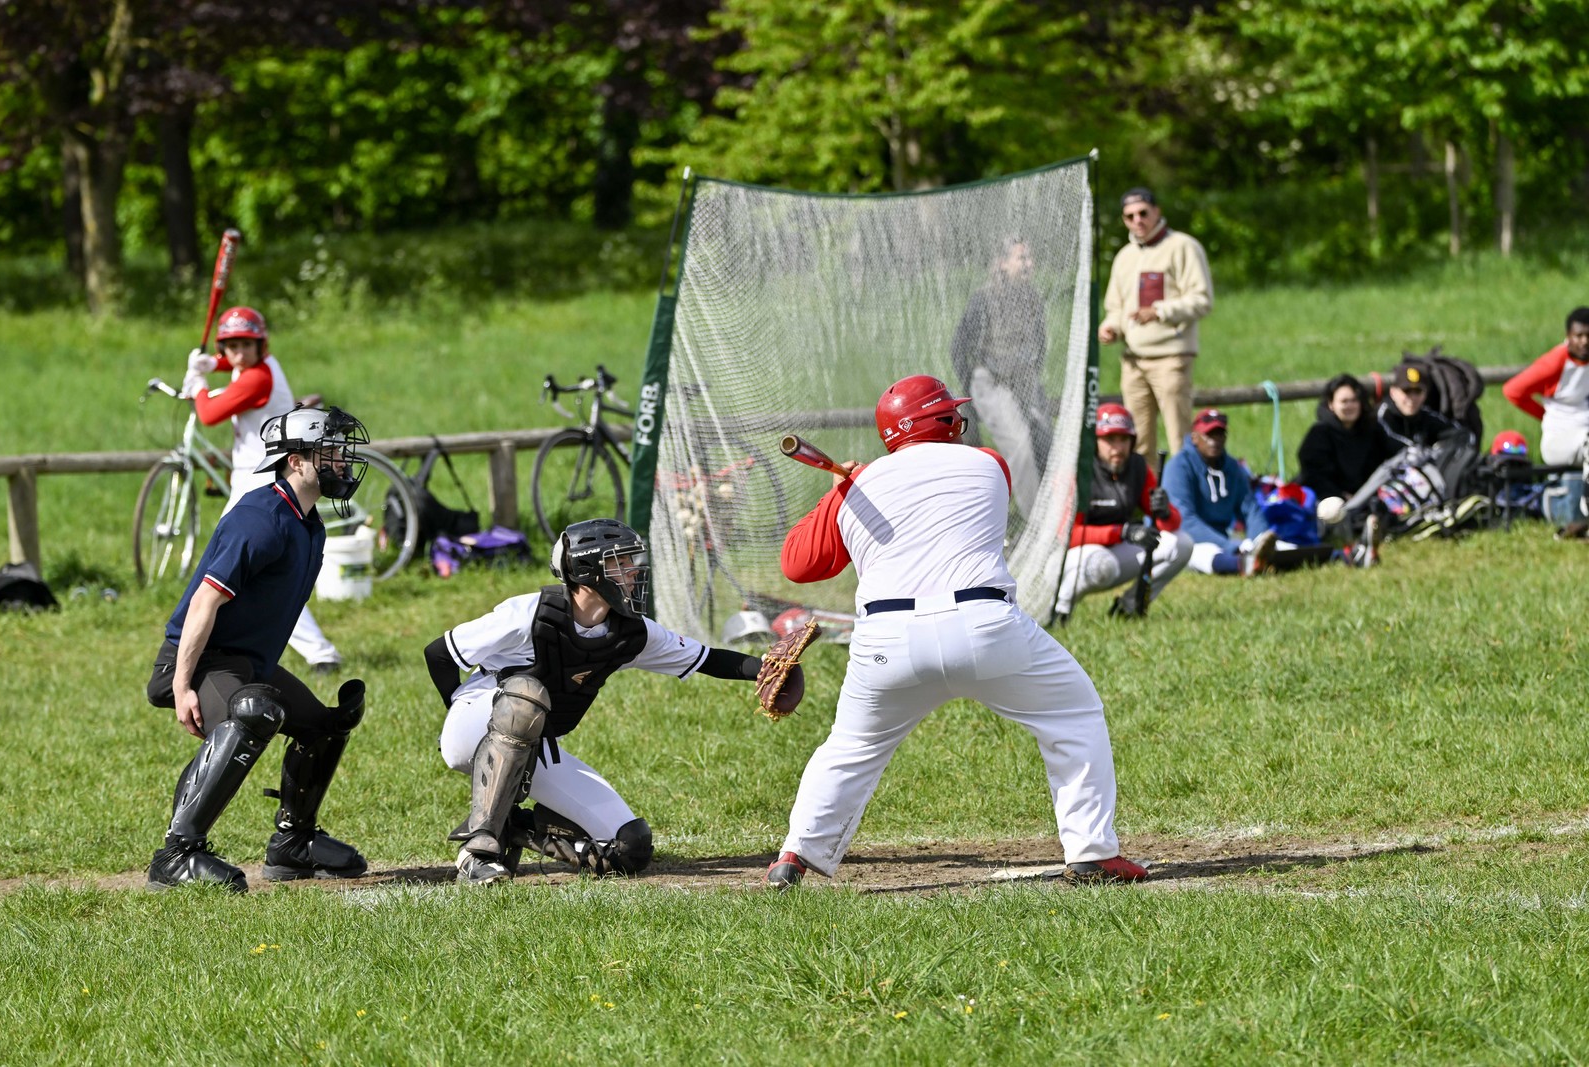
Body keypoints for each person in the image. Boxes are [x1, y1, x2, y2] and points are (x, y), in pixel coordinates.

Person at [762, 374, 1148, 889]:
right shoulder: (990, 463)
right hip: (987, 631)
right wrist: (852, 487)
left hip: (886, 642)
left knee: (850, 746)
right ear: (939, 421)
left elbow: (799, 564)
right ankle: (1092, 851)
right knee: (1074, 712)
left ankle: (793, 858)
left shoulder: (860, 487)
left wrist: (838, 495)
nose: (960, 422)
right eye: (950, 414)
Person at [424, 518, 777, 885]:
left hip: (534, 742)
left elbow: (706, 658)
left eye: (631, 561)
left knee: (629, 847)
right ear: (586, 569)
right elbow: (439, 653)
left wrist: (767, 669)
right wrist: (456, 716)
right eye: (620, 562)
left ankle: (513, 828)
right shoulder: (529, 614)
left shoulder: (630, 631)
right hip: (475, 721)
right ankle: (478, 851)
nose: (633, 570)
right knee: (525, 697)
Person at [143, 405, 374, 891]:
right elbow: (204, 602)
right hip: (198, 660)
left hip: (242, 663)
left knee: (328, 724)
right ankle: (177, 854)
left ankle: (294, 844)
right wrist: (183, 686)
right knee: (256, 711)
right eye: (328, 452)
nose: (341, 461)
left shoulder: (309, 526)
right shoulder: (260, 518)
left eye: (340, 451)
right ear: (295, 461)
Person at [183, 306, 342, 673]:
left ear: (261, 345)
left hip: (264, 477)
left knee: (245, 567)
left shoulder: (258, 378)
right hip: (253, 474)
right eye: (231, 345)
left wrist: (198, 385)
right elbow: (235, 363)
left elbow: (208, 414)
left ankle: (319, 653)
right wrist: (211, 363)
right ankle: (312, 650)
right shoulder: (254, 364)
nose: (237, 353)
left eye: (246, 344)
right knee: (250, 568)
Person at [1043, 402, 1191, 623]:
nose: (1118, 447)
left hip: (1114, 552)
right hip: (1067, 558)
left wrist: (1165, 512)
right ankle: (1059, 610)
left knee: (1182, 544)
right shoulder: (1077, 472)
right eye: (1110, 439)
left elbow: (1170, 525)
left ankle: (1129, 607)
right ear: (1094, 442)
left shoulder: (1136, 466)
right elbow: (1068, 537)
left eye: (1124, 439)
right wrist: (1121, 532)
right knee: (1103, 564)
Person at [1098, 187, 1214, 459]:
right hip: (1133, 361)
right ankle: (1145, 499)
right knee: (1136, 442)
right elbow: (1116, 307)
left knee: (1180, 438)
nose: (1137, 220)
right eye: (1129, 216)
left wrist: (1159, 311)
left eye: (1143, 213)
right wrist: (1111, 327)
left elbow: (1202, 299)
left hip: (1171, 358)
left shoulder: (1183, 246)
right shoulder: (1124, 257)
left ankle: (1181, 500)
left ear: (1157, 212)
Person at [949, 236, 1052, 512]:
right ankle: (1036, 525)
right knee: (1020, 448)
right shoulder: (984, 298)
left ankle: (1058, 514)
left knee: (1048, 444)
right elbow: (959, 346)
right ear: (1004, 263)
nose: (1029, 264)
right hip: (991, 383)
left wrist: (1028, 376)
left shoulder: (1032, 297)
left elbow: (1040, 343)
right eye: (1022, 258)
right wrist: (972, 387)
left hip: (1025, 381)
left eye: (1030, 258)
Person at [1161, 408, 1275, 576]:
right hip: (1179, 538)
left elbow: (1250, 508)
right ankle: (1241, 565)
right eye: (1208, 435)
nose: (1215, 441)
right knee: (1200, 552)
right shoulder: (1178, 467)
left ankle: (1265, 558)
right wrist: (1232, 546)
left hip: (1220, 538)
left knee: (1279, 545)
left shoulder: (1232, 467)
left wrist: (1259, 541)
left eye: (1219, 435)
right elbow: (1184, 521)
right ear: (1194, 438)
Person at [1503, 307, 1589, 521]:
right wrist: (1544, 416)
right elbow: (1513, 391)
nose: (1585, 341)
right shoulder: (1555, 362)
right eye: (1579, 335)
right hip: (1559, 440)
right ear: (1568, 336)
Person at [1298, 373, 1393, 525]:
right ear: (1331, 404)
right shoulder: (1319, 434)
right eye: (1344, 401)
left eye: (1354, 400)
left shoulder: (1372, 431)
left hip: (1365, 497)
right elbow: (1314, 476)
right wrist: (1340, 495)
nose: (1350, 406)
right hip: (1327, 500)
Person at [1376, 362, 1471, 456]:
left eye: (1418, 391)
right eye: (1407, 391)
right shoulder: (1380, 417)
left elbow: (1460, 434)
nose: (1412, 398)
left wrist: (1439, 449)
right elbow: (1393, 444)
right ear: (1393, 392)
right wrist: (1427, 453)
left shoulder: (1424, 415)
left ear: (1425, 394)